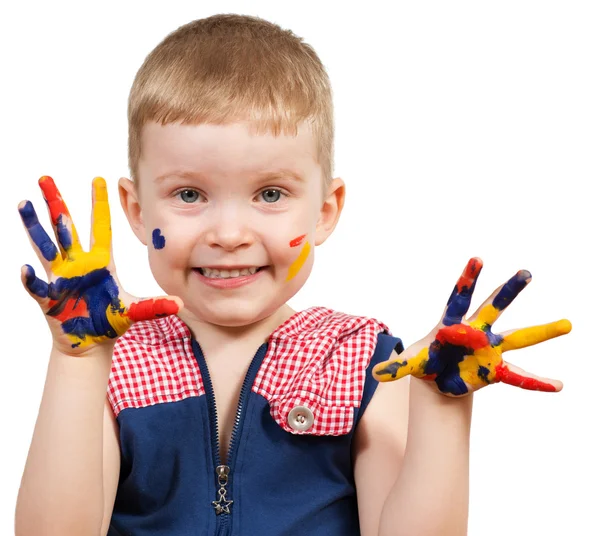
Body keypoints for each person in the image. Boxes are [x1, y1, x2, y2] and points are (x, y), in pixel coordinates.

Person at [14, 13, 571, 536]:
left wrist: (442, 407)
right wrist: (77, 361)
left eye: (270, 194)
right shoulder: (117, 362)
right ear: (137, 212)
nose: (229, 232)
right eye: (189, 194)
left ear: (326, 211)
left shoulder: (360, 359)